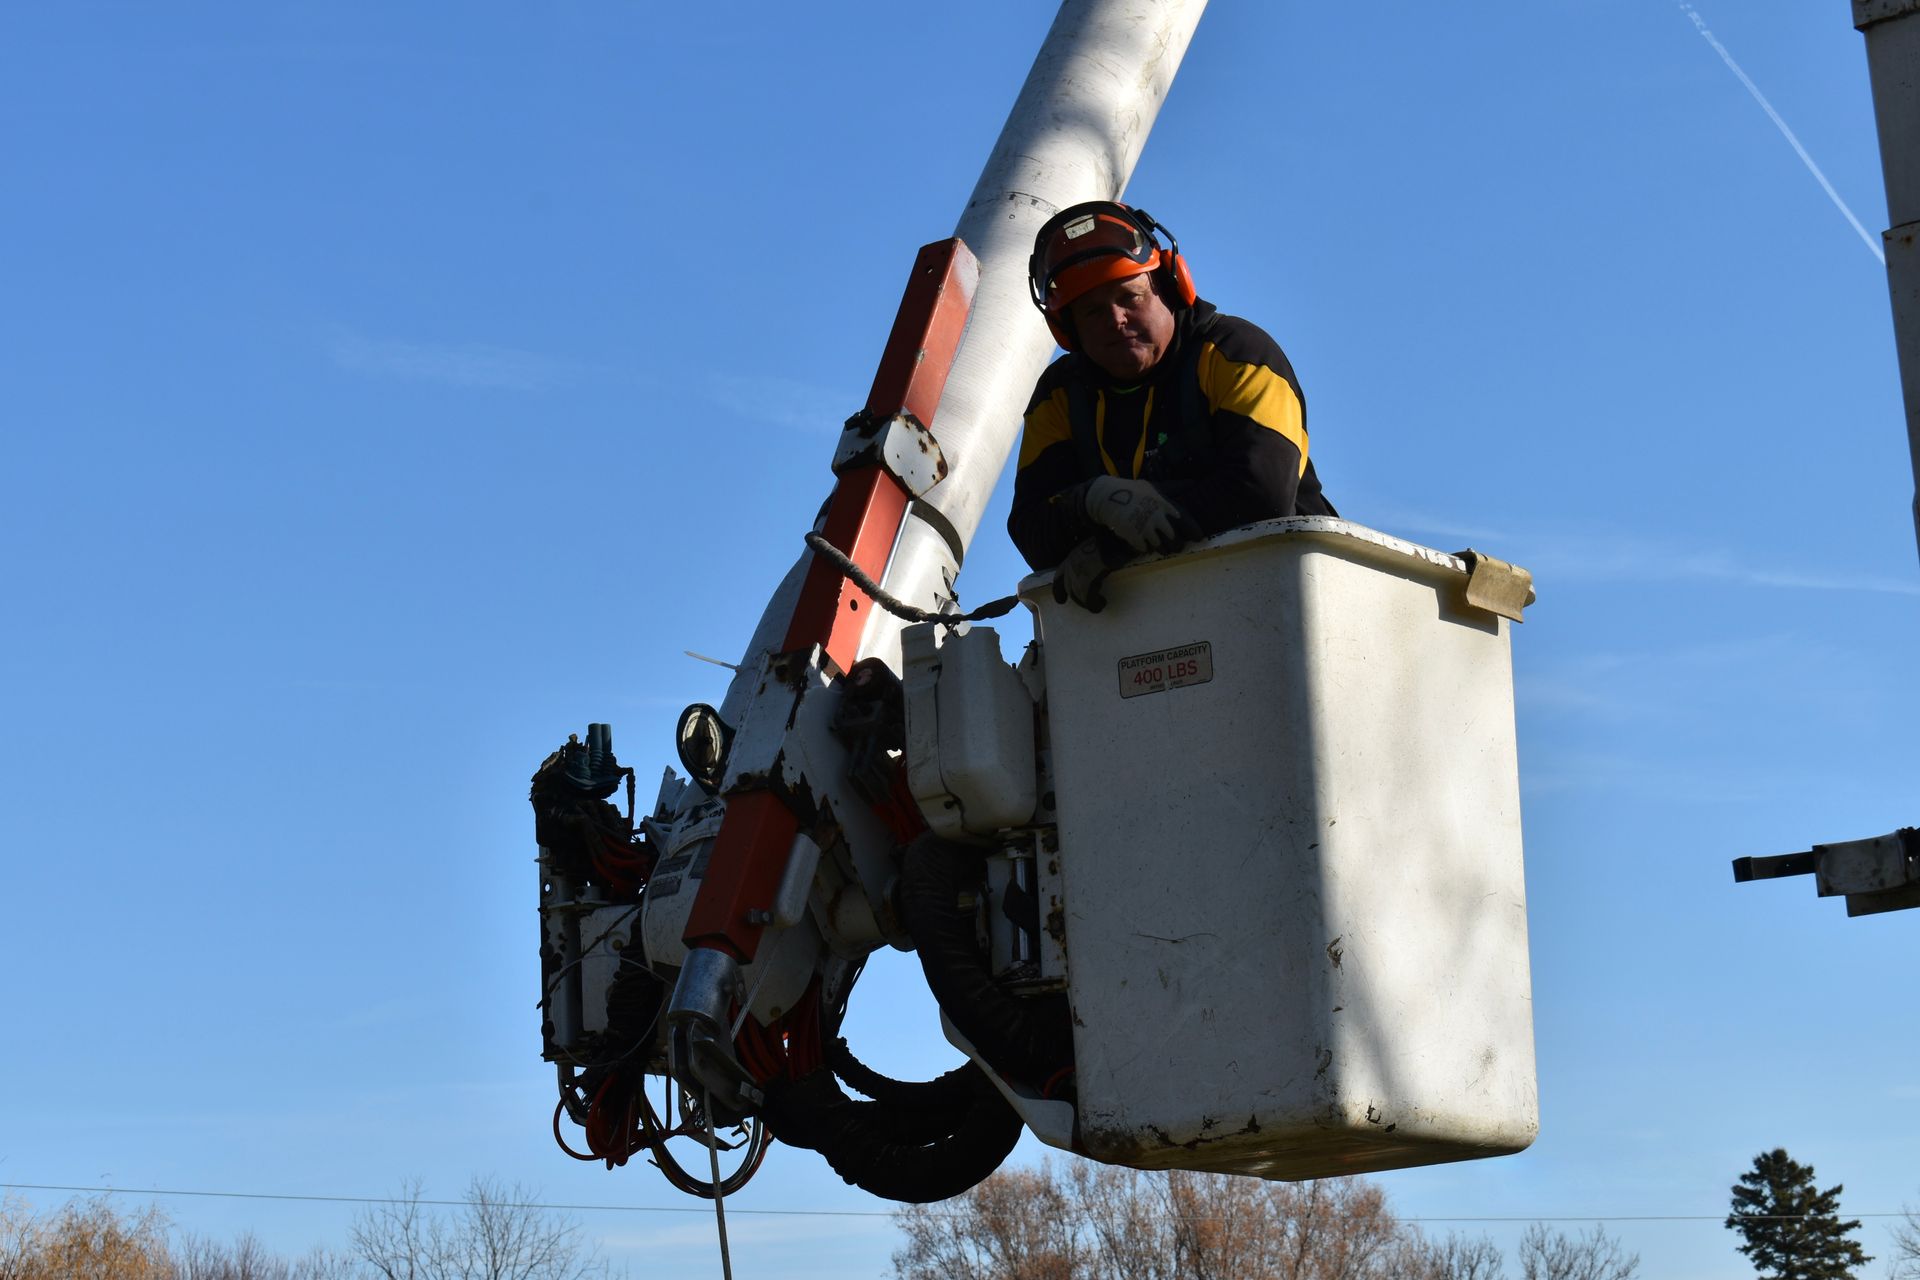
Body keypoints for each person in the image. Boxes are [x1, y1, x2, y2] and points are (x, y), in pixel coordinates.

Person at [1009, 201, 1335, 610]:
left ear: (1170, 285)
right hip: (1156, 625)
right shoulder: (1058, 396)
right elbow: (1032, 530)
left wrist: (1121, 540)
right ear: (1066, 329)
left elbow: (1261, 494)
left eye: (1130, 296)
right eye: (1092, 312)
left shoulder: (1239, 353)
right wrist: (1093, 500)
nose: (1115, 319)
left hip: (1287, 602)